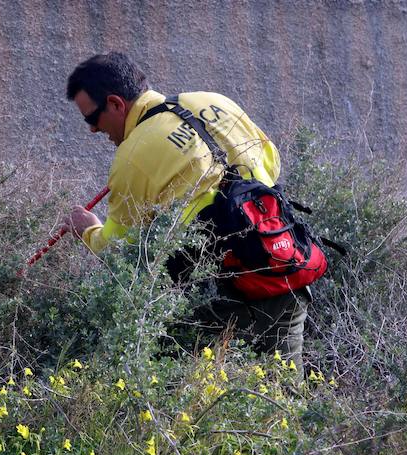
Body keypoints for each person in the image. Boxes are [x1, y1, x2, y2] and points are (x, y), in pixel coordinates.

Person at [63, 51, 311, 370]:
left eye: (91, 119)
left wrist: (87, 229)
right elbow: (271, 163)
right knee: (285, 396)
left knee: (191, 399)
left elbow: (116, 248)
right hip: (282, 267)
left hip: (216, 297)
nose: (93, 131)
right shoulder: (216, 101)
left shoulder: (132, 157)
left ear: (115, 103)